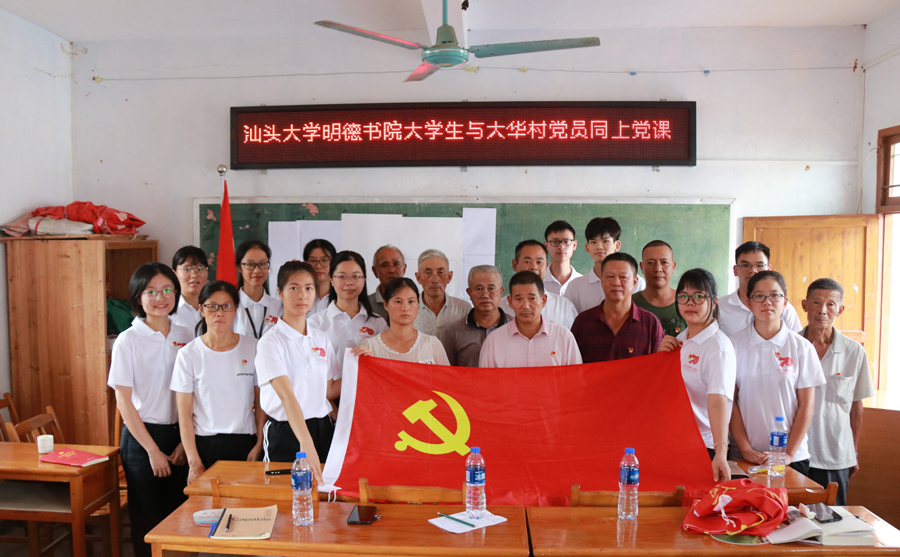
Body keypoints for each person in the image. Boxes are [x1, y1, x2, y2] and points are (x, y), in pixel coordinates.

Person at [107, 262, 191, 557]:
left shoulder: (186, 335)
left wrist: (185, 441)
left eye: (167, 290)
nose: (160, 297)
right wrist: (153, 451)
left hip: (180, 435)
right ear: (138, 297)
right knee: (147, 519)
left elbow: (194, 393)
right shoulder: (128, 341)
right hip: (142, 438)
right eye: (151, 292)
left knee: (180, 516)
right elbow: (123, 401)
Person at [729, 271, 825, 476]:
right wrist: (746, 449)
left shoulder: (802, 348)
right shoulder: (733, 345)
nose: (767, 302)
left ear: (785, 302)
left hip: (792, 459)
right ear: (749, 302)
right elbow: (730, 402)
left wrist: (787, 454)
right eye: (759, 296)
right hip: (744, 456)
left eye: (775, 295)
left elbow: (807, 405)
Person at [171, 281, 264, 486]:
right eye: (212, 306)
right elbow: (184, 415)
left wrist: (259, 444)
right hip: (205, 444)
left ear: (235, 310)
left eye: (227, 306)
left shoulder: (253, 347)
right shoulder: (188, 354)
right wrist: (194, 461)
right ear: (201, 310)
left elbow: (260, 402)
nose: (219, 313)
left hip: (245, 442)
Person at [255, 261, 340, 482]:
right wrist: (305, 442)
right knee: (285, 495)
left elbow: (328, 390)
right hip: (287, 431)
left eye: (308, 288)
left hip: (322, 427)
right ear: (280, 293)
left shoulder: (321, 338)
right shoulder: (270, 342)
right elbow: (287, 397)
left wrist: (360, 367)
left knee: (324, 494)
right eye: (294, 288)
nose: (302, 295)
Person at [801, 278, 875, 504]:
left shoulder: (854, 352)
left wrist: (854, 451)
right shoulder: (791, 346)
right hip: (795, 454)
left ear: (840, 310)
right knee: (790, 518)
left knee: (832, 518)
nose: (822, 310)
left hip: (835, 455)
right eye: (816, 302)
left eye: (830, 304)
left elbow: (856, 405)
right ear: (805, 305)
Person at [658, 269, 736, 482]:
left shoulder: (718, 347)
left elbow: (718, 401)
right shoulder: (681, 339)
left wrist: (721, 452)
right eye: (684, 296)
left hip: (703, 447)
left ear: (714, 301)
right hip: (676, 441)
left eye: (699, 296)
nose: (690, 303)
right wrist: (661, 357)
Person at [571, 253, 663, 363]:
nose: (616, 283)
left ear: (634, 282)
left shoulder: (651, 324)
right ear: (602, 281)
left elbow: (659, 366)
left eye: (623, 277)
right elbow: (572, 366)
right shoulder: (582, 322)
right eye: (610, 276)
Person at [480, 271, 582, 367]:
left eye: (532, 298)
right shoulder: (494, 341)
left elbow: (576, 377)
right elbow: (486, 379)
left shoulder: (564, 337)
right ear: (510, 302)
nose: (526, 306)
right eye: (519, 299)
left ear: (543, 300)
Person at [309, 250, 387, 372]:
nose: (349, 282)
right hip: (327, 385)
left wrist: (373, 356)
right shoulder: (315, 323)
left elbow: (386, 364)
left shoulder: (378, 323)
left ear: (364, 280)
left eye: (356, 276)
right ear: (331, 280)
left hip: (365, 383)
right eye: (342, 277)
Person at [717, 241, 802, 336]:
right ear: (735, 270)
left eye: (759, 265)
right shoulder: (719, 307)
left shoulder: (783, 308)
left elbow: (796, 341)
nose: (753, 270)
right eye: (745, 265)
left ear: (768, 269)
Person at [564, 217, 646, 313]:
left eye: (605, 241)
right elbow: (569, 319)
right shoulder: (575, 286)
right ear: (587, 247)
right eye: (593, 242)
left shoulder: (635, 283)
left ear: (617, 245)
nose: (599, 247)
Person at [363, 277, 450, 365]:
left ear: (418, 303)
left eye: (411, 301)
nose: (405, 308)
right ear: (385, 305)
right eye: (398, 302)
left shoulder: (432, 344)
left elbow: (446, 374)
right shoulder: (370, 347)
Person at [438, 265, 508, 367]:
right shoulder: (453, 332)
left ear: (501, 292)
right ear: (469, 293)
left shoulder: (515, 328)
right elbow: (446, 372)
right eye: (479, 289)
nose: (485, 295)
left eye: (491, 288)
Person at [499, 240, 578, 329]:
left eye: (539, 262)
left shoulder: (564, 306)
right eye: (528, 262)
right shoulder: (499, 307)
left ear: (546, 266)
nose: (534, 267)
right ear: (515, 265)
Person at [632, 240, 686, 337]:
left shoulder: (687, 302)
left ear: (673, 266)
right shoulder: (629, 305)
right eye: (651, 263)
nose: (658, 269)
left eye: (664, 262)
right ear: (642, 267)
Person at [412, 249, 471, 336]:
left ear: (449, 277)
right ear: (418, 277)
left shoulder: (463, 309)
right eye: (428, 273)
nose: (435, 280)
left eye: (440, 272)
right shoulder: (408, 308)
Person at [233, 240, 282, 339]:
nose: (257, 270)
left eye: (262, 263)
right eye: (250, 264)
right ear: (239, 267)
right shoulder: (230, 306)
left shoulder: (279, 307)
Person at [171, 246, 209, 335]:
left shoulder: (216, 306)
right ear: (174, 274)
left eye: (200, 269)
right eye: (187, 269)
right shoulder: (169, 309)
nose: (194, 274)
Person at [368, 244, 407, 323]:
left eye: (396, 264)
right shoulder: (364, 306)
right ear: (375, 271)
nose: (391, 270)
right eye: (384, 265)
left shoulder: (416, 304)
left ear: (404, 269)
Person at [543, 220, 581, 296]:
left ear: (574, 245)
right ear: (546, 246)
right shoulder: (538, 282)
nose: (561, 246)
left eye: (566, 241)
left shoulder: (582, 283)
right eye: (555, 242)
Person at [303, 238, 338, 316]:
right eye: (312, 261)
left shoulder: (342, 297)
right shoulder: (299, 297)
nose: (318, 266)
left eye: (325, 260)